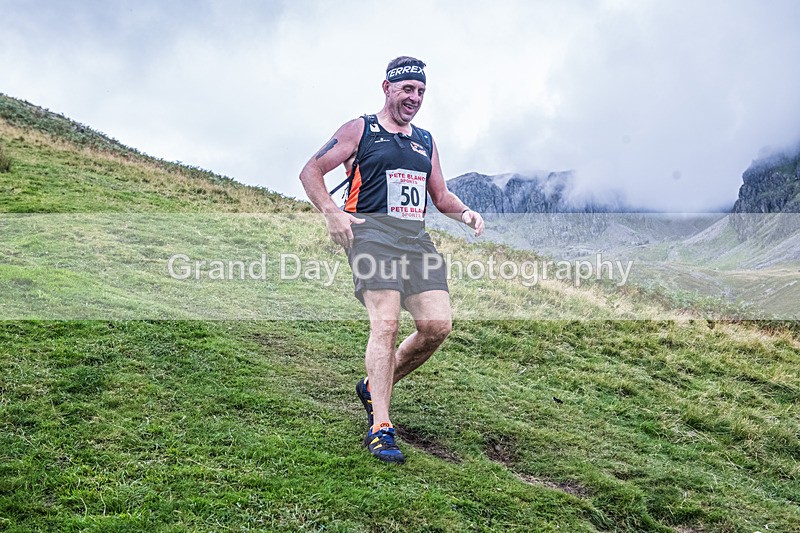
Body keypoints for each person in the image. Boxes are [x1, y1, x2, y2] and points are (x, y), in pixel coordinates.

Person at [299, 56, 484, 464]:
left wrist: (465, 212)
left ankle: (373, 385)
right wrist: (332, 213)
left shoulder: (426, 141)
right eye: (407, 90)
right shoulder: (360, 129)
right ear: (387, 88)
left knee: (437, 326)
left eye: (420, 91)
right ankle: (381, 427)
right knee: (385, 323)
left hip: (415, 241)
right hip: (370, 234)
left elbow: (441, 196)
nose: (414, 98)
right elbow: (311, 171)